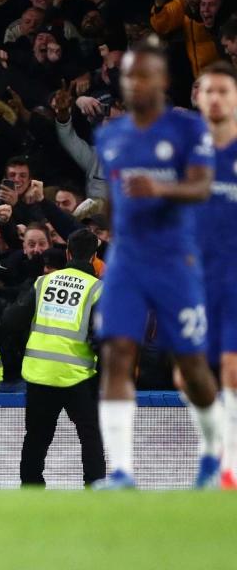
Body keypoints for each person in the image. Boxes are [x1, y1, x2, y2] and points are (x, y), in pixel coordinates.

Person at [94, 42, 221, 489]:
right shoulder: (110, 136)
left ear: (163, 80)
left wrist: (161, 190)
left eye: (145, 75)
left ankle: (213, 456)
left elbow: (203, 185)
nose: (136, 84)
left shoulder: (187, 129)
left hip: (174, 260)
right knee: (116, 354)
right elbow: (113, 200)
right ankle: (122, 471)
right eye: (129, 76)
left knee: (190, 364)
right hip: (127, 260)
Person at [2, 228, 106, 487]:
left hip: (40, 372)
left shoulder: (42, 282)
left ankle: (31, 490)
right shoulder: (97, 289)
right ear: (94, 257)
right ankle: (95, 488)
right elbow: (103, 339)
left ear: (68, 252)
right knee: (90, 436)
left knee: (36, 436)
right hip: (77, 375)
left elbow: (10, 322)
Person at [193, 62, 237, 488]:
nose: (217, 98)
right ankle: (210, 454)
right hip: (192, 279)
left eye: (225, 90)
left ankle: (229, 466)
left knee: (231, 365)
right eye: (209, 91)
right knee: (188, 373)